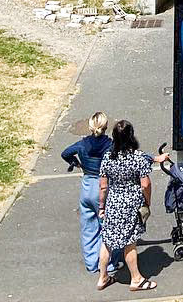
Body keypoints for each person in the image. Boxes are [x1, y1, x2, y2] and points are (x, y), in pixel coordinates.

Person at [96, 120, 165, 291]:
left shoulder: (107, 157)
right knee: (130, 242)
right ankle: (136, 279)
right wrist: (147, 202)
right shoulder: (137, 157)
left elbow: (103, 186)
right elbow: (145, 184)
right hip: (131, 204)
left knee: (107, 241)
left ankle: (103, 277)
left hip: (113, 203)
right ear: (131, 136)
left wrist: (102, 207)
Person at [62, 112, 112, 273]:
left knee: (88, 228)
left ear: (90, 127)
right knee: (108, 228)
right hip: (103, 187)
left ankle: (91, 264)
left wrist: (75, 163)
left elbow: (65, 153)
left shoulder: (83, 144)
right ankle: (109, 264)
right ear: (106, 126)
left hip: (87, 186)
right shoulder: (110, 145)